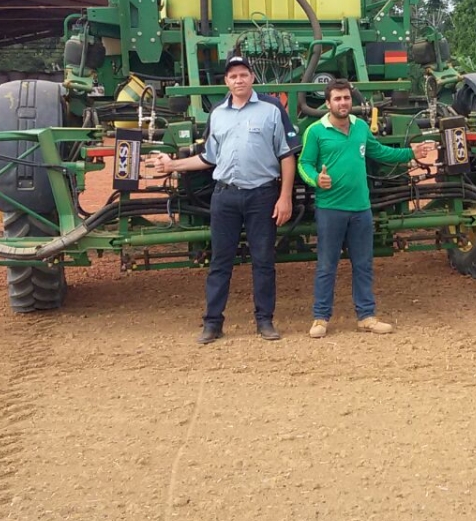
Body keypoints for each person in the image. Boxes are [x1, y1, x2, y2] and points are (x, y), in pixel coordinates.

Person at [154, 55, 296, 343]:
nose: (239, 80)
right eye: (233, 76)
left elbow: (287, 155)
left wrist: (285, 198)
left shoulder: (272, 109)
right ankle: (213, 323)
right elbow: (208, 157)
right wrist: (172, 166)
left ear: (252, 78)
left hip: (262, 196)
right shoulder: (218, 113)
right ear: (226, 82)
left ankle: (265, 321)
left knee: (263, 261)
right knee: (220, 261)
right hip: (225, 197)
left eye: (243, 74)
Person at [298, 79, 434, 338]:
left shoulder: (360, 127)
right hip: (330, 208)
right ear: (327, 103)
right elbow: (304, 164)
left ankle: (366, 316)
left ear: (352, 101)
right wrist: (316, 179)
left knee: (363, 264)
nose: (343, 103)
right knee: (327, 265)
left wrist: (410, 153)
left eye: (346, 98)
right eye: (337, 99)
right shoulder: (316, 131)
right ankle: (320, 318)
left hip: (361, 208)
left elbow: (379, 152)